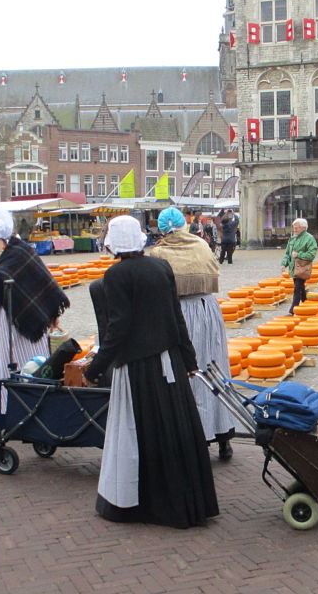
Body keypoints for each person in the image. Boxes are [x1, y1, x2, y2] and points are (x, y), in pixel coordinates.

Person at [81, 215, 218, 529]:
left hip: (139, 368)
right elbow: (175, 317)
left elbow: (118, 329)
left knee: (139, 433)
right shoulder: (160, 267)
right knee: (175, 431)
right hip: (169, 360)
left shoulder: (116, 275)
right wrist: (189, 359)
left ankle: (141, 504)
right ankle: (187, 503)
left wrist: (95, 368)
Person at [149, 207, 237, 460]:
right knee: (214, 367)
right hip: (207, 308)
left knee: (188, 371)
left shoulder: (158, 252)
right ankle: (223, 436)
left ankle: (196, 435)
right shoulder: (200, 245)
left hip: (180, 312)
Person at [0, 209, 70, 414]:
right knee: (8, 367)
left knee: (31, 366)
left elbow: (42, 283)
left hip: (24, 326)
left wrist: (50, 314)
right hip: (4, 325)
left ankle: (31, 412)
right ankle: (11, 412)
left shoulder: (19, 253)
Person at [282, 218, 318, 314]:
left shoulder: (309, 238)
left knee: (297, 287)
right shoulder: (293, 238)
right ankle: (306, 303)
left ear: (303, 228)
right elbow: (288, 253)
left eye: (297, 228)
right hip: (294, 268)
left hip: (303, 267)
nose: (295, 229)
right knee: (300, 287)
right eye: (294, 227)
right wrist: (284, 264)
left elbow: (312, 254)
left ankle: (293, 310)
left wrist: (299, 255)